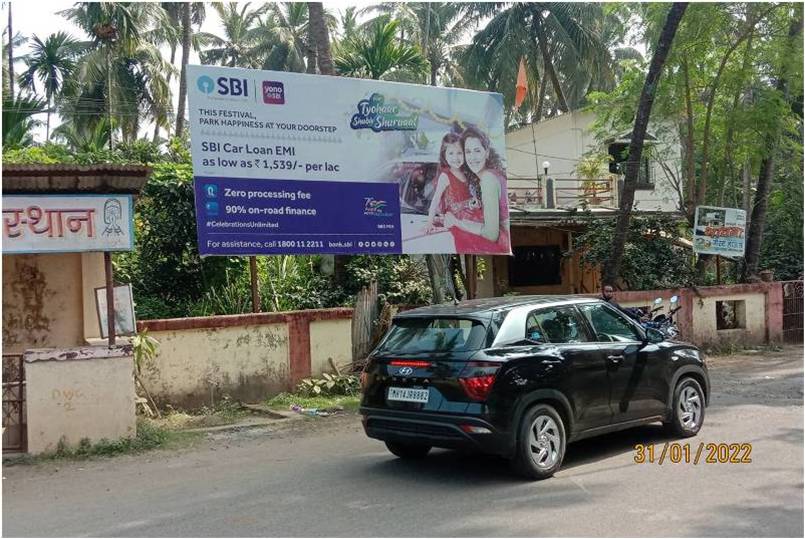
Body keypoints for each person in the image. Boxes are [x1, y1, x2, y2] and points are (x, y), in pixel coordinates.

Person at [442, 126, 511, 254]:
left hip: (501, 245)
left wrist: (457, 222)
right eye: (468, 152)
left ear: (487, 152)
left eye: (477, 150)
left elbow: (491, 235)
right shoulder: (491, 175)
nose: (472, 157)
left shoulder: (488, 179)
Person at [425, 133, 479, 232]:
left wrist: (473, 202)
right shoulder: (445, 176)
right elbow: (435, 199)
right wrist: (429, 222)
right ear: (444, 155)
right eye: (451, 153)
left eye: (459, 153)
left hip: (470, 218)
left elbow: (470, 196)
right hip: (454, 221)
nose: (455, 158)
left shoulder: (467, 173)